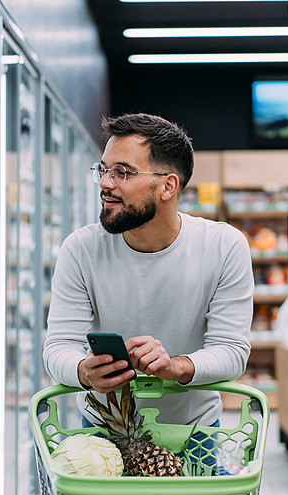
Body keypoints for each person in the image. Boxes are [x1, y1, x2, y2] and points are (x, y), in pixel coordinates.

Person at [43, 113, 254, 427]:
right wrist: (84, 371)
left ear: (167, 186)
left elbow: (232, 351)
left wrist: (176, 366)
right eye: (103, 170)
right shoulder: (81, 249)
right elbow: (58, 347)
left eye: (122, 172)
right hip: (105, 428)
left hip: (195, 429)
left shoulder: (224, 246)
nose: (104, 183)